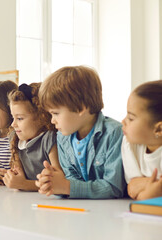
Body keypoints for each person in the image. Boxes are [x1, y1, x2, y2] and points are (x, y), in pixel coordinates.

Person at [36, 66, 126, 198]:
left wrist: (66, 186)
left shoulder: (115, 133)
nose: (52, 121)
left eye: (55, 113)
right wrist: (54, 183)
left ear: (80, 108)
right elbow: (71, 180)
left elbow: (113, 187)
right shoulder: (62, 137)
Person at [3, 83, 61, 191]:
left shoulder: (49, 138)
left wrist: (24, 184)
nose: (13, 124)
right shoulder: (15, 140)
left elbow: (57, 182)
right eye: (13, 117)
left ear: (41, 117)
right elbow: (19, 178)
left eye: (19, 118)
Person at [121, 80, 162, 200]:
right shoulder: (129, 143)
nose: (123, 121)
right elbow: (132, 188)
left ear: (159, 129)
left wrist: (145, 188)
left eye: (131, 118)